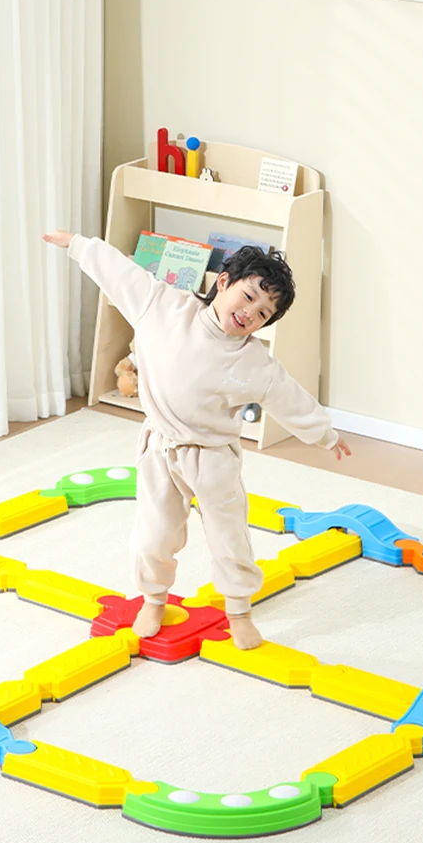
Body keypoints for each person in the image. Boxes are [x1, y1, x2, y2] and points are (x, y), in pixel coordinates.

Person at [43, 230, 351, 649]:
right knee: (154, 534)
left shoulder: (253, 361)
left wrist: (325, 434)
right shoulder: (162, 307)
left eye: (263, 313)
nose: (250, 313)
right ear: (223, 282)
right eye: (248, 296)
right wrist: (79, 245)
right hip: (160, 447)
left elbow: (288, 396)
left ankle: (239, 610)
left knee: (230, 537)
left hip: (213, 457)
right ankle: (154, 598)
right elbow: (121, 273)